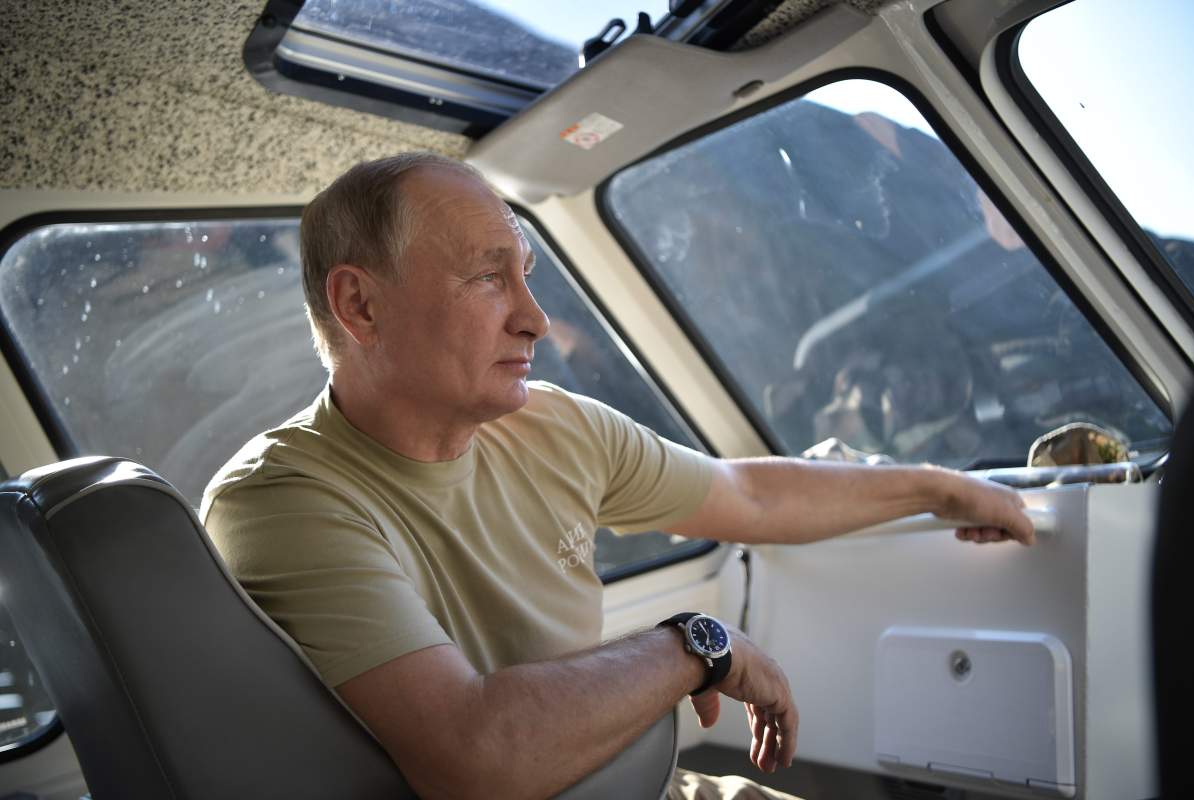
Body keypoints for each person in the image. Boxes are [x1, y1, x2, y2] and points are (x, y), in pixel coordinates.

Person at [201, 152, 1035, 800]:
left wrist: (941, 487)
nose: (533, 319)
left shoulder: (552, 425)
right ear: (361, 307)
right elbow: (476, 761)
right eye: (489, 277)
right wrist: (695, 647)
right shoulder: (280, 501)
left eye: (526, 275)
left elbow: (745, 494)